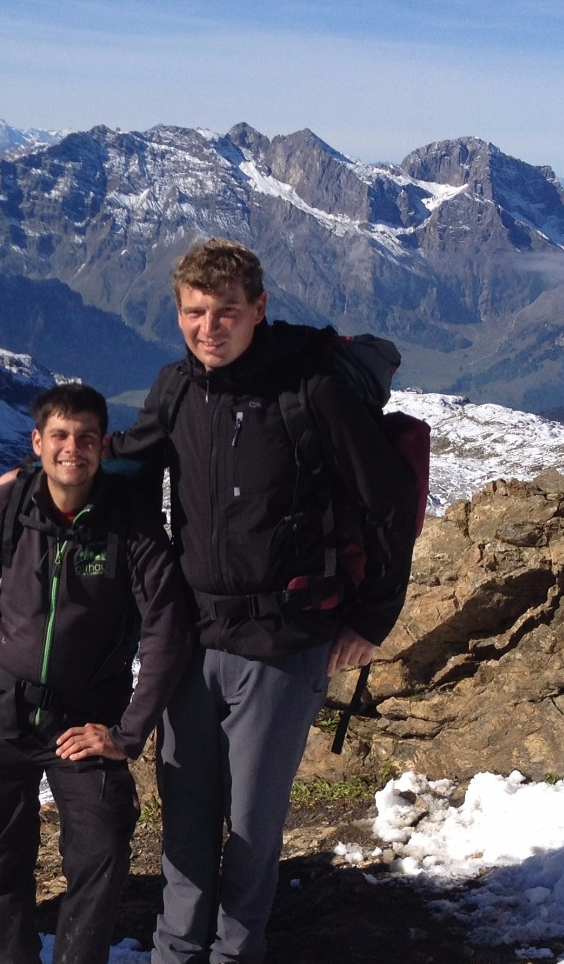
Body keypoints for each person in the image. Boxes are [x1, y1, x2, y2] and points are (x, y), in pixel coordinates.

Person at [110, 239, 417, 964]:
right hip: (193, 640)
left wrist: (371, 619)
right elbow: (126, 463)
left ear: (259, 311)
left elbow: (387, 506)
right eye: (194, 312)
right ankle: (176, 955)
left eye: (225, 313)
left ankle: (236, 954)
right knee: (185, 820)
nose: (208, 327)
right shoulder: (178, 388)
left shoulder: (311, 391)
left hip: (285, 643)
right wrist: (36, 482)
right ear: (177, 311)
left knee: (251, 826)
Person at [0, 383, 192, 964]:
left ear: (103, 445)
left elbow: (166, 631)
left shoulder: (130, 522)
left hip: (84, 721)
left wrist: (126, 735)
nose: (71, 448)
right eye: (59, 436)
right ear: (37, 442)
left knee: (100, 849)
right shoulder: (9, 507)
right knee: (7, 860)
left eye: (85, 437)